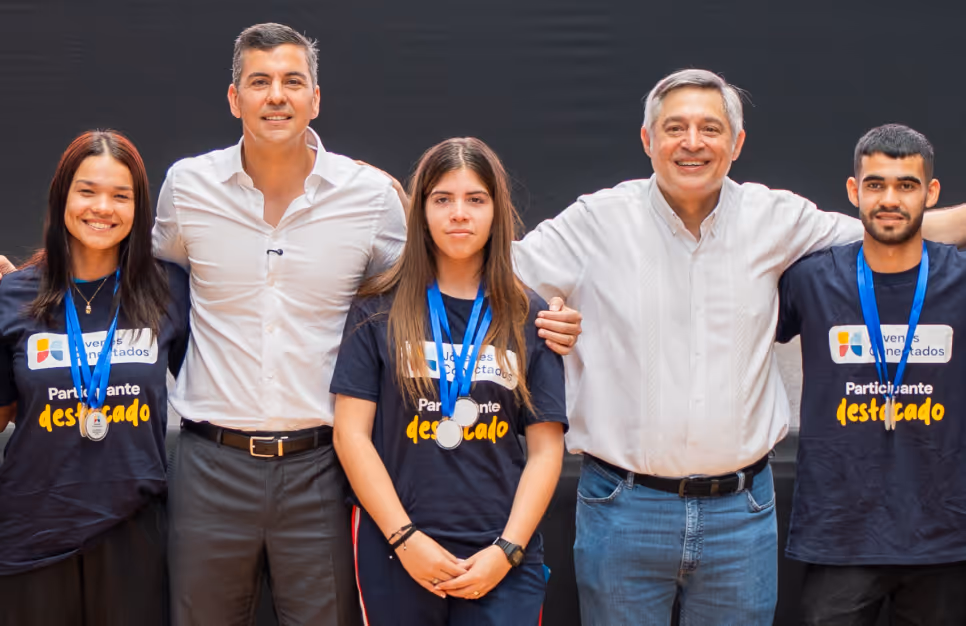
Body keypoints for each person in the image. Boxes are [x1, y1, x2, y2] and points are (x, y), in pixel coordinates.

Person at [149, 23, 580, 626]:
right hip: (211, 458)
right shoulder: (186, 188)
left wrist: (544, 311)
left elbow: (453, 260)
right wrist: (30, 275)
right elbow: (133, 271)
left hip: (322, 463)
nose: (277, 95)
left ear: (316, 98)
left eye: (293, 81)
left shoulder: (371, 196)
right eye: (260, 82)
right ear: (234, 98)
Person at [510, 69, 966, 625]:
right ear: (647, 140)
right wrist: (543, 318)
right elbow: (498, 281)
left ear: (737, 144)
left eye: (710, 128)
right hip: (622, 511)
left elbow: (890, 230)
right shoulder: (596, 221)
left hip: (741, 517)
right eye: (675, 127)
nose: (693, 142)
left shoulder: (776, 218)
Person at [331, 137, 567, 625]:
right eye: (443, 199)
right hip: (398, 549)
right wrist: (404, 538)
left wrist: (507, 550)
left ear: (497, 212)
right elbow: (351, 435)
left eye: (475, 199)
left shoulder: (528, 316)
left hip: (502, 555)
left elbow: (546, 451)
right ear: (420, 212)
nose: (459, 213)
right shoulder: (376, 311)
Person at [777, 124, 966, 625]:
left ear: (931, 193)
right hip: (840, 535)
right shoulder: (809, 279)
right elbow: (727, 337)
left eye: (906, 185)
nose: (890, 199)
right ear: (853, 191)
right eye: (876, 184)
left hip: (944, 536)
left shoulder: (960, 280)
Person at [0, 130, 189, 625]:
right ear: (62, 195)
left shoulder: (167, 291)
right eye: (87, 191)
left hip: (133, 532)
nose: (102, 207)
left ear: (139, 207)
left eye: (120, 196)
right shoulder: (14, 295)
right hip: (30, 533)